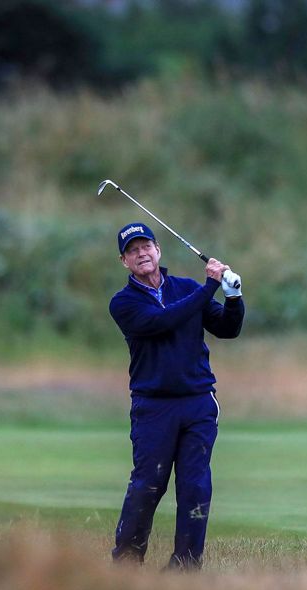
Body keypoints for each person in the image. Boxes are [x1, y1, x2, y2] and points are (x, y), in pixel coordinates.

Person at [108, 221, 245, 570]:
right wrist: (209, 287)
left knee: (195, 486)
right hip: (154, 407)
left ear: (158, 251)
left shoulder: (185, 287)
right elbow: (162, 321)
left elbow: (228, 329)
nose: (141, 253)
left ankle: (185, 565)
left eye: (146, 246)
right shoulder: (123, 303)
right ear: (124, 261)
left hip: (197, 401)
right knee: (148, 485)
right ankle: (126, 561)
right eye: (132, 250)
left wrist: (233, 296)